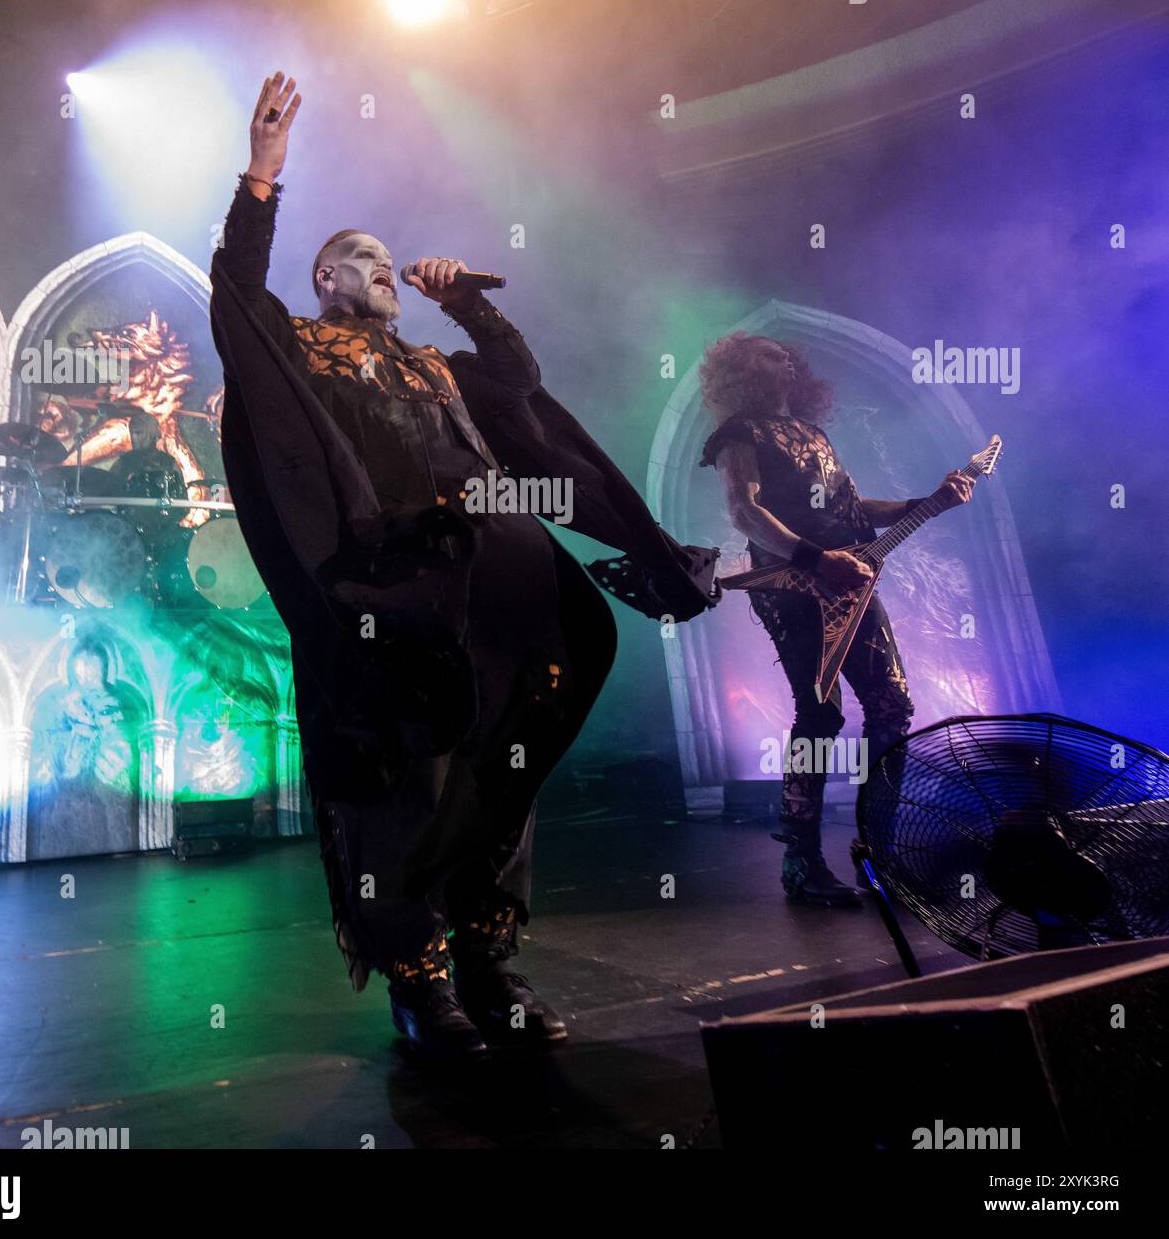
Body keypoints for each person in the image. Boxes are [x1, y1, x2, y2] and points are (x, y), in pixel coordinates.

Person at [207, 71, 717, 1058]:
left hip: (509, 569)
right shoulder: (305, 348)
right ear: (325, 279)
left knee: (506, 768)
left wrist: (471, 308)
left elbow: (522, 394)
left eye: (393, 259)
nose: (385, 267)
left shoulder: (440, 364)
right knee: (416, 772)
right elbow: (236, 305)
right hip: (402, 583)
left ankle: (489, 960)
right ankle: (417, 974)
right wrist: (262, 179)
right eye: (364, 258)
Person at [699, 332, 973, 907]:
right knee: (820, 714)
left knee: (892, 704)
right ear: (740, 370)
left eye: (787, 354)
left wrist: (928, 501)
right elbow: (744, 511)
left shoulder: (814, 433)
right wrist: (815, 558)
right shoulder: (738, 435)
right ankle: (801, 859)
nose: (786, 359)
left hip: (848, 582)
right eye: (769, 353)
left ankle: (881, 852)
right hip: (791, 585)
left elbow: (852, 508)